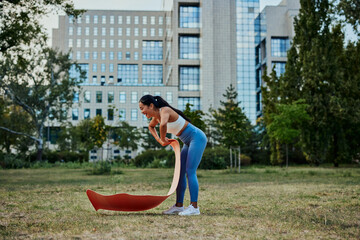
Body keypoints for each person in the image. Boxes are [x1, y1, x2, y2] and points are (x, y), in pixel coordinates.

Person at [139, 95, 207, 216]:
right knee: (180, 172)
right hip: (187, 142)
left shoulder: (165, 110)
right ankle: (179, 206)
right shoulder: (156, 118)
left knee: (190, 171)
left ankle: (194, 207)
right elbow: (151, 127)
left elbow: (163, 125)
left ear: (151, 105)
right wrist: (160, 140)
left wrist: (163, 138)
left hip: (197, 137)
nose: (142, 112)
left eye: (142, 108)